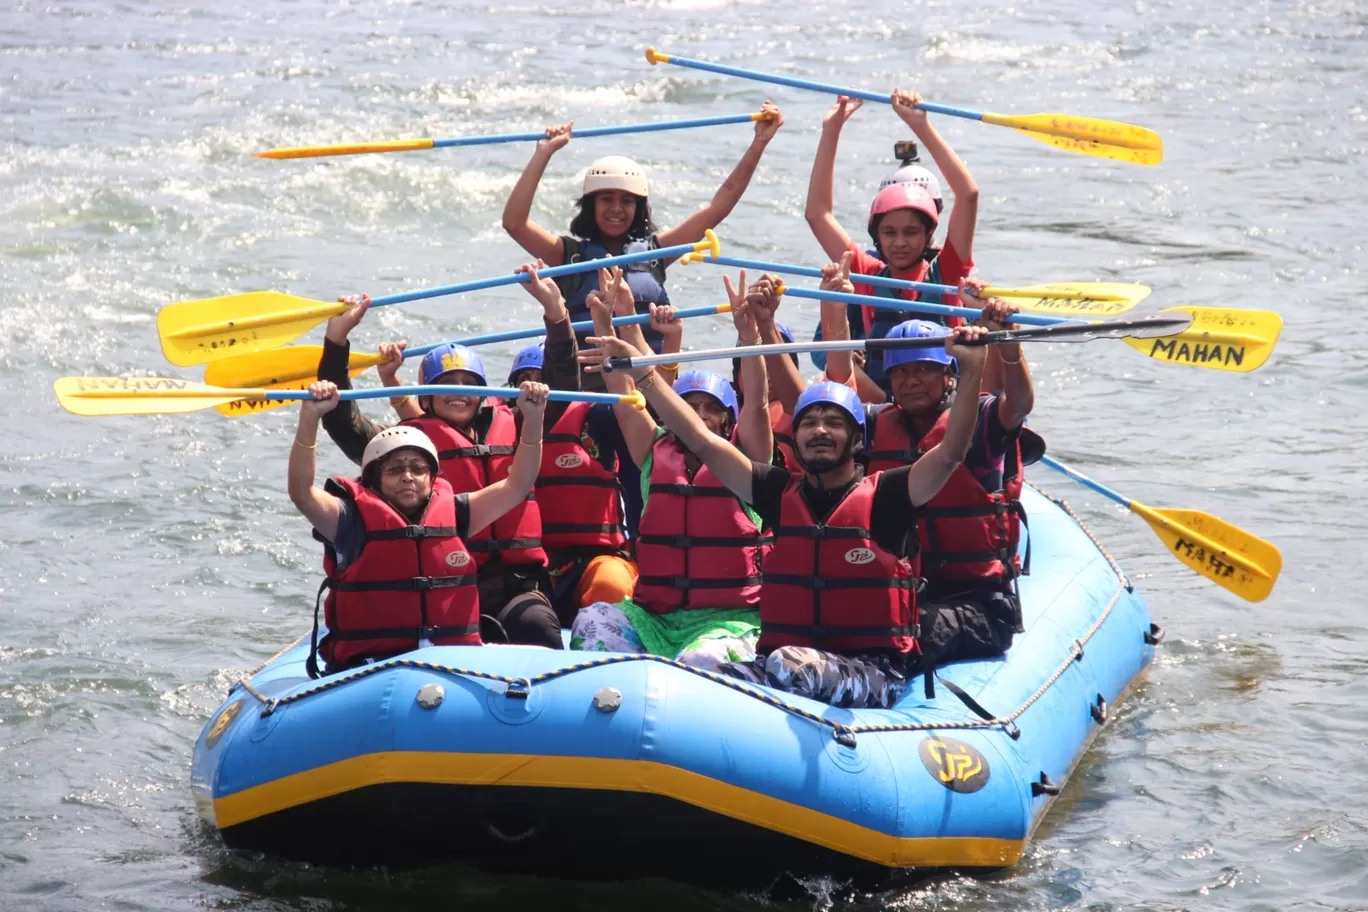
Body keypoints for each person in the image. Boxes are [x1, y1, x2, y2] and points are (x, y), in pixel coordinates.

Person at [578, 321, 990, 709]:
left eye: (834, 422)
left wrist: (972, 370)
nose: (819, 430)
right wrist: (644, 371)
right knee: (699, 674)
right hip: (784, 658)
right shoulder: (776, 492)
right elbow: (700, 440)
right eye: (809, 422)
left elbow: (952, 452)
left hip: (873, 668)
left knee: (788, 665)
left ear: (857, 440)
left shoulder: (890, 494)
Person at [313, 268, 574, 649]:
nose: (459, 393)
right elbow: (343, 420)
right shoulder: (409, 444)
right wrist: (337, 341)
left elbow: (564, 383)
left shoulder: (520, 421)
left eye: (469, 385)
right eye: (448, 385)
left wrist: (555, 312)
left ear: (484, 393)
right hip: (446, 586)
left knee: (539, 629)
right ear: (426, 397)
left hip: (519, 586)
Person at [822, 264, 1040, 671]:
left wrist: (1007, 343)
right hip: (903, 592)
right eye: (901, 372)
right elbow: (839, 384)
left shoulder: (979, 422)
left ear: (949, 375)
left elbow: (1020, 405)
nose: (912, 380)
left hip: (978, 605)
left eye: (924, 369)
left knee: (907, 628)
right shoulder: (875, 424)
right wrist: (834, 306)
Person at [569, 273, 775, 669]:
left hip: (727, 623)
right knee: (592, 622)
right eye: (690, 406)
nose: (700, 416)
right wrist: (603, 321)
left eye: (712, 408)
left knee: (700, 660)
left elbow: (759, 404)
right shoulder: (653, 450)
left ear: (729, 420)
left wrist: (749, 337)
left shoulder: (749, 459)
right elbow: (623, 395)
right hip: (656, 618)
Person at [289, 379, 553, 674]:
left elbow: (518, 485)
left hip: (451, 662)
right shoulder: (350, 520)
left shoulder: (457, 512)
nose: (407, 477)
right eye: (394, 469)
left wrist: (533, 418)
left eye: (417, 469)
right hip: (372, 668)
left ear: (432, 477)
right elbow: (302, 493)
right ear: (375, 477)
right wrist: (310, 417)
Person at [500, 101, 785, 362]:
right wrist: (544, 153)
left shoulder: (656, 253)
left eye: (627, 201)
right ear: (590, 205)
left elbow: (718, 207)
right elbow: (515, 223)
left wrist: (759, 142)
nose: (616, 209)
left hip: (648, 378)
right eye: (606, 199)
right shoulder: (568, 256)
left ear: (639, 209)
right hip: (588, 381)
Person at [805, 89, 979, 397]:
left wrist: (920, 125)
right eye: (890, 233)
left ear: (928, 236)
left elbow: (968, 194)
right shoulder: (868, 274)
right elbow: (818, 214)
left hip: (943, 403)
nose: (900, 243)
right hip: (885, 405)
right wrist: (831, 129)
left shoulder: (948, 272)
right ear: (877, 236)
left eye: (911, 232)